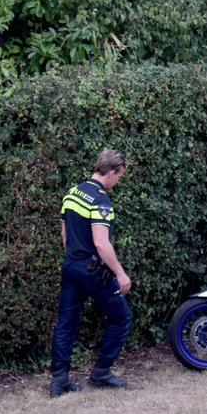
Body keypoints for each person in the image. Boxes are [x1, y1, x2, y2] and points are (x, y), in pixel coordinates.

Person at [49, 149, 134, 395]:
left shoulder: (72, 193)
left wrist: (75, 258)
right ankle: (101, 373)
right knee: (121, 317)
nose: (118, 181)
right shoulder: (100, 200)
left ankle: (59, 381)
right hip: (93, 272)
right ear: (112, 172)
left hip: (71, 268)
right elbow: (101, 243)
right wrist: (120, 273)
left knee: (66, 324)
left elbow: (65, 235)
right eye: (119, 176)